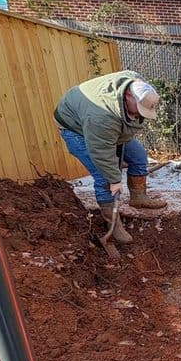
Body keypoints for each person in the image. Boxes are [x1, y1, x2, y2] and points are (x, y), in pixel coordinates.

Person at [54, 71, 168, 244]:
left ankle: (138, 197)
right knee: (104, 178)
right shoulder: (101, 118)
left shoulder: (137, 84)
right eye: (139, 110)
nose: (140, 116)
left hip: (106, 123)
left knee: (138, 155)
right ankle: (113, 224)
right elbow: (101, 153)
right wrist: (114, 180)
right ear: (128, 96)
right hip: (75, 127)